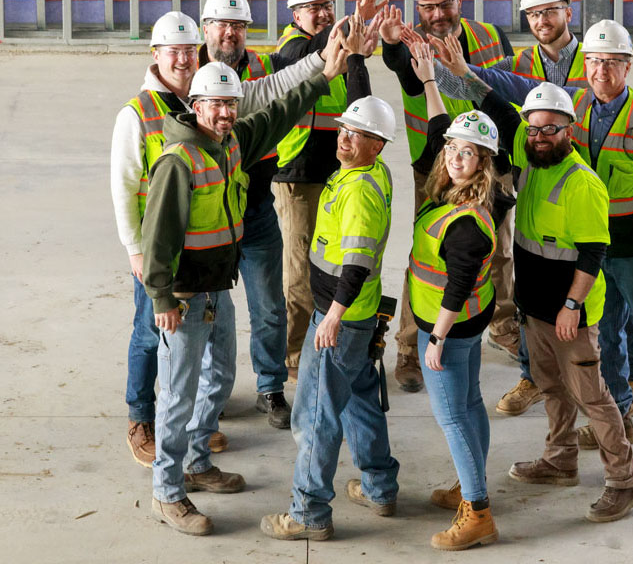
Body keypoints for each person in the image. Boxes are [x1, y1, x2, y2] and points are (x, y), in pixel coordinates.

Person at [432, 20, 633, 470]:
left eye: (612, 62)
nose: (601, 71)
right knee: (607, 336)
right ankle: (617, 420)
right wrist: (465, 72)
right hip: (591, 248)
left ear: (627, 66)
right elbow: (511, 90)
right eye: (594, 61)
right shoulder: (570, 106)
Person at [111, 10, 330, 465]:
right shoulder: (140, 115)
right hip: (166, 259)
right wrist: (138, 252)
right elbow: (124, 185)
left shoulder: (219, 111)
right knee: (151, 338)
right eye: (174, 52)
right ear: (156, 55)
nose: (183, 59)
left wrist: (327, 66)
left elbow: (275, 102)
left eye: (190, 52)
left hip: (210, 264)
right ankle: (142, 419)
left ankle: (196, 441)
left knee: (213, 355)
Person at [143, 51, 347, 536]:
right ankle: (167, 493)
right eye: (215, 104)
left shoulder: (230, 143)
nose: (225, 113)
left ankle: (195, 463)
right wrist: (162, 299)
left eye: (231, 104)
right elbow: (158, 236)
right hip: (186, 297)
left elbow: (277, 115)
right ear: (194, 105)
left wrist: (324, 77)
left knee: (218, 379)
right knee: (177, 393)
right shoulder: (179, 161)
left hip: (217, 288)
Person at [469, 71, 633, 522]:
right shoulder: (531, 165)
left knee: (594, 399)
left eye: (551, 128)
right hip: (535, 310)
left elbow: (592, 252)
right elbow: (498, 111)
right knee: (550, 388)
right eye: (534, 129)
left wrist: (572, 307)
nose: (541, 136)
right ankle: (560, 458)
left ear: (569, 129)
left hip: (571, 315)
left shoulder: (580, 182)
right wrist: (453, 72)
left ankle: (624, 481)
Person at [491, 0, 633, 418]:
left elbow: (619, 109)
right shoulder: (518, 64)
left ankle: (631, 374)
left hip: (596, 190)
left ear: (568, 12)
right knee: (534, 292)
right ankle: (533, 376)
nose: (542, 20)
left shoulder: (596, 56)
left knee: (610, 292)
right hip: (543, 184)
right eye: (533, 13)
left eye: (550, 11)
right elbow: (492, 96)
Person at [261, 95, 399, 542]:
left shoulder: (359, 190)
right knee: (360, 401)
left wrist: (332, 317)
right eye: (343, 130)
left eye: (355, 135)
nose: (343, 139)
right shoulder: (364, 171)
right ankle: (379, 488)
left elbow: (356, 263)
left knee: (315, 416)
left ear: (376, 145)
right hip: (361, 315)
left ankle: (308, 512)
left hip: (342, 318)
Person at [378, 0, 518, 393]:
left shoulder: (492, 37)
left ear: (460, 0)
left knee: (498, 249)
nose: (437, 14)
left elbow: (506, 89)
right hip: (439, 166)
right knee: (426, 255)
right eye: (427, 7)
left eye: (444, 4)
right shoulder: (412, 45)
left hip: (492, 163)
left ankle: (503, 325)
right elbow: (400, 64)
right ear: (417, 10)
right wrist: (388, 42)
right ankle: (408, 347)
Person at [404, 41, 513, 550]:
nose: (453, 156)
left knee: (452, 415)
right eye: (452, 149)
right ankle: (473, 488)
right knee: (470, 405)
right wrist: (430, 80)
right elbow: (437, 127)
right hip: (467, 319)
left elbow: (459, 283)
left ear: (484, 162)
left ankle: (479, 513)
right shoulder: (456, 187)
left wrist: (436, 338)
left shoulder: (469, 221)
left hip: (449, 324)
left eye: (465, 152)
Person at [198, 0, 323, 428]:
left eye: (238, 26)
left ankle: (270, 387)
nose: (230, 33)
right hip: (207, 217)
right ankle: (209, 396)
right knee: (209, 312)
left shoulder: (266, 69)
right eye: (222, 24)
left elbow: (295, 87)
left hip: (254, 209)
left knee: (268, 306)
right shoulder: (188, 75)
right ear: (206, 28)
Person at [272, 0, 384, 381]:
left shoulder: (337, 44)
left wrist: (356, 56)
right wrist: (347, 31)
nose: (321, 14)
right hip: (298, 176)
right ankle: (293, 357)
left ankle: (328, 338)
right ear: (295, 13)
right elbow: (311, 51)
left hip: (338, 175)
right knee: (299, 273)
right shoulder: (289, 47)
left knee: (331, 265)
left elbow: (361, 105)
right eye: (312, 8)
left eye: (327, 6)